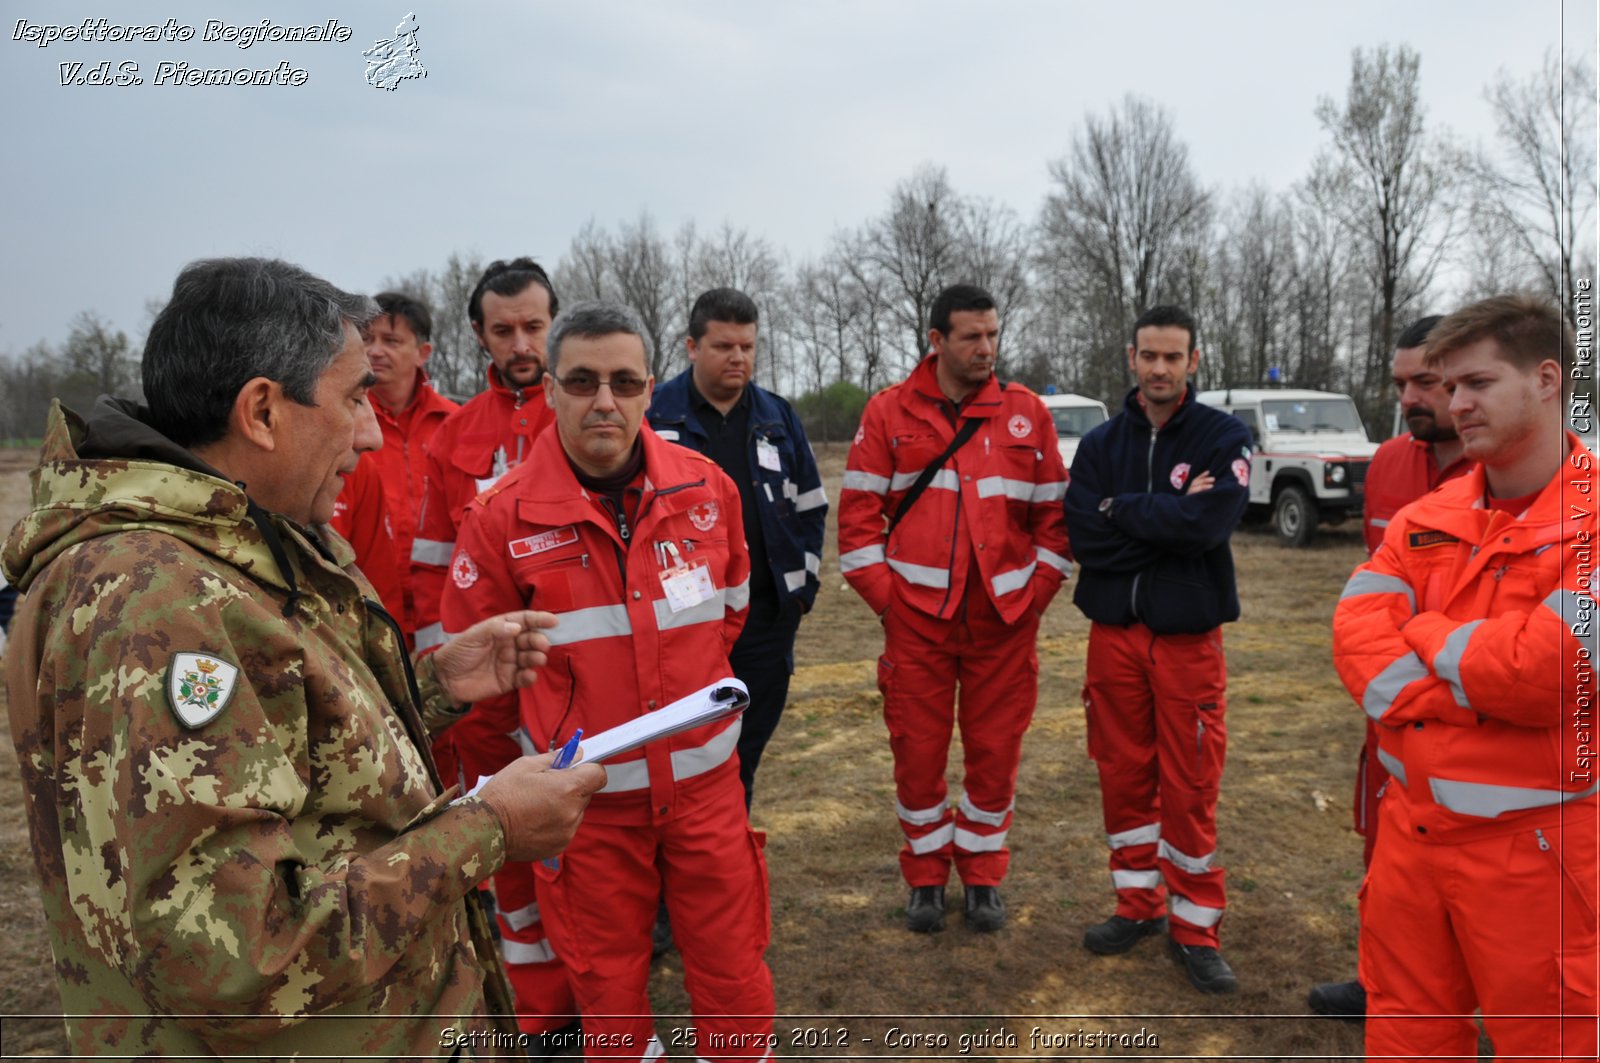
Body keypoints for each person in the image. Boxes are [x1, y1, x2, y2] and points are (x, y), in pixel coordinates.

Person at [0, 257, 605, 1059]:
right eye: (355, 397)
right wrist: (486, 829)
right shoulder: (155, 603)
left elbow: (272, 752)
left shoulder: (238, 539)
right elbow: (236, 958)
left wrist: (425, 691)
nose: (370, 431)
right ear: (261, 410)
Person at [441, 301, 774, 1061]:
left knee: (734, 976)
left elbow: (729, 619)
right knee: (609, 996)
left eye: (624, 382)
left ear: (651, 387)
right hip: (585, 809)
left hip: (706, 792)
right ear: (551, 389)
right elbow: (480, 693)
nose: (605, 400)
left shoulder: (708, 489)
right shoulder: (501, 519)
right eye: (583, 381)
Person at [1332, 295, 1597, 1061]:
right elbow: (1355, 638)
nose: (1455, 405)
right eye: (1448, 388)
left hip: (1543, 857)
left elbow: (1542, 672)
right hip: (1409, 845)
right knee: (1408, 1038)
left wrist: (1424, 630)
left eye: (1475, 383)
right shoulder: (1435, 509)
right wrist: (1469, 675)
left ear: (1547, 380)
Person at [839, 283, 1071, 934]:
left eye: (993, 334)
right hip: (918, 625)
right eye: (971, 336)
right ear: (936, 340)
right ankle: (923, 876)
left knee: (995, 754)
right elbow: (857, 525)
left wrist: (1036, 596)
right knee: (917, 754)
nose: (986, 348)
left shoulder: (1028, 413)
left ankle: (983, 875)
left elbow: (1056, 519)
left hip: (1004, 623)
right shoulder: (889, 412)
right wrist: (891, 605)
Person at [1062, 304, 1251, 994]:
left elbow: (1207, 524)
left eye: (1173, 357)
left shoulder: (1224, 436)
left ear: (1194, 361)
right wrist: (1157, 516)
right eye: (1149, 355)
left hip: (1187, 640)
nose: (1160, 368)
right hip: (1113, 637)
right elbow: (1086, 536)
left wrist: (1125, 509)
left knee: (1192, 782)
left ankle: (1196, 928)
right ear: (1132, 358)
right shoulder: (1100, 445)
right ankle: (1136, 904)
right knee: (1122, 771)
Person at [409, 258, 570, 1033]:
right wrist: (442, 680)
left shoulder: (584, 417)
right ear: (478, 334)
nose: (520, 343)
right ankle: (542, 1019)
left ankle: (598, 997)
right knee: (508, 851)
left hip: (566, 677)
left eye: (534, 326)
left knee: (581, 845)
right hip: (481, 690)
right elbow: (431, 568)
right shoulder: (454, 438)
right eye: (503, 329)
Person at [1308, 313, 1472, 1019]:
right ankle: (1382, 981)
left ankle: (1484, 993)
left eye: (1426, 382)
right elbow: (1370, 591)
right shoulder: (1390, 463)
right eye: (1401, 381)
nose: (1409, 397)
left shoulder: (1511, 469)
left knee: (1479, 860)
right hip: (1391, 707)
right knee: (1389, 848)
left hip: (1476, 709)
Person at [646, 287, 828, 808]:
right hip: (685, 623)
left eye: (747, 346)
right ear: (692, 347)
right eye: (725, 346)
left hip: (767, 622)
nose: (739, 358)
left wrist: (802, 589)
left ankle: (730, 849)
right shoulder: (655, 417)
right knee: (687, 750)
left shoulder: (778, 417)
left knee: (745, 751)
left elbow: (812, 507)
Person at [346, 289, 459, 645]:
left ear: (423, 353)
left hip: (446, 611)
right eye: (367, 339)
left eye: (391, 340)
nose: (375, 350)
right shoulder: (345, 425)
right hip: (367, 609)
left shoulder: (456, 425)